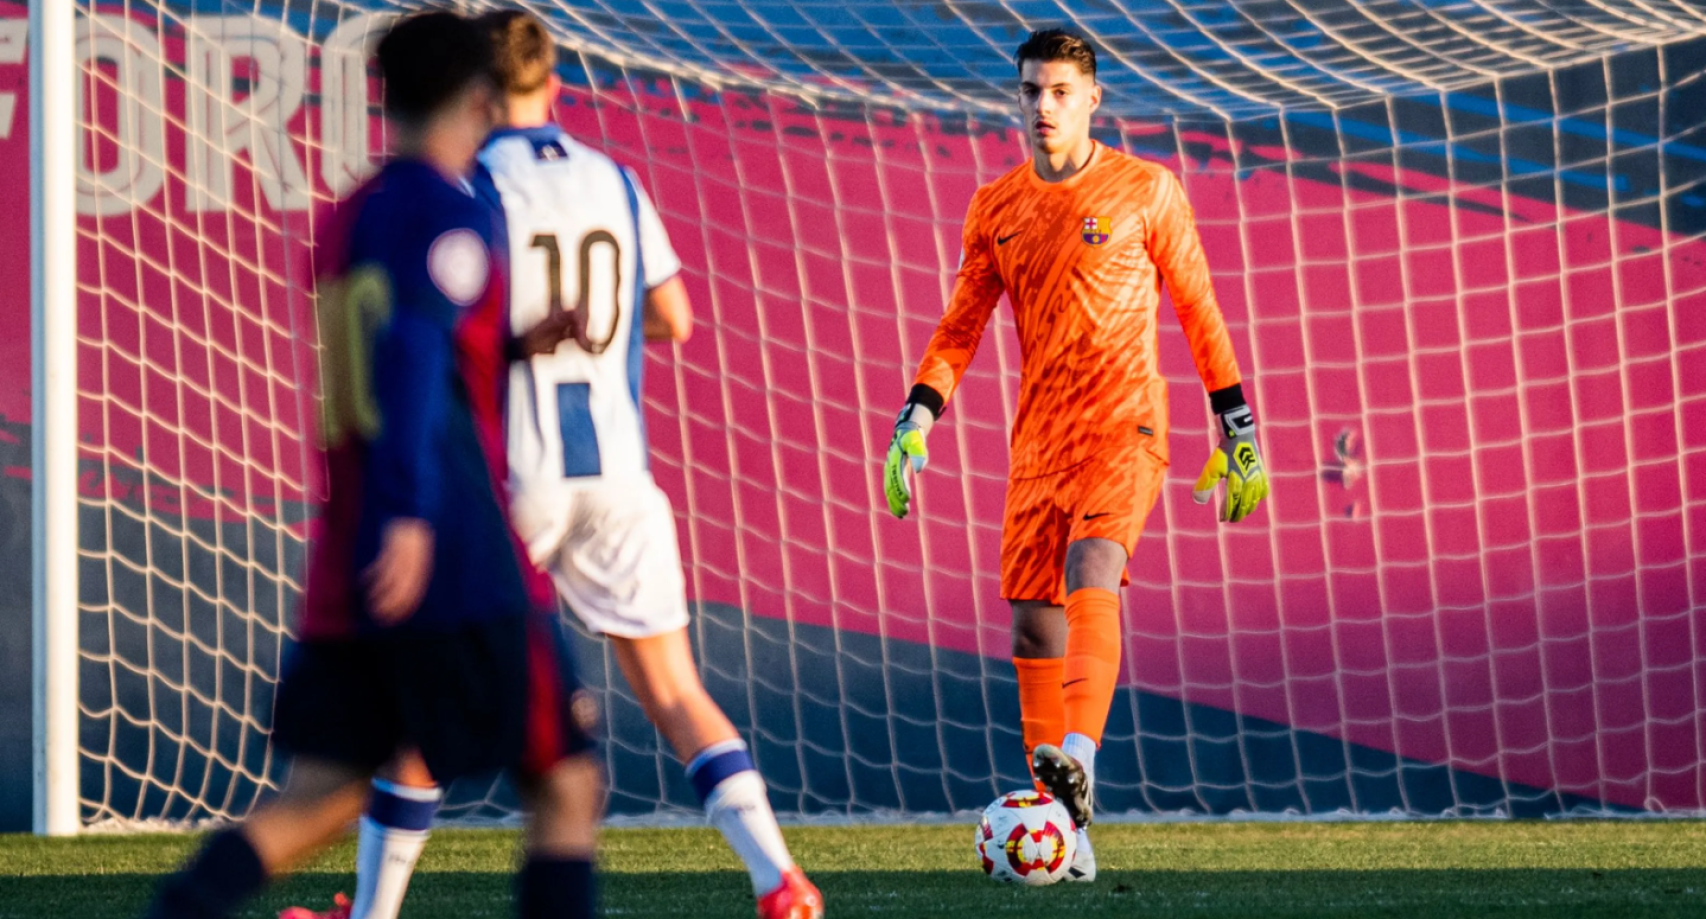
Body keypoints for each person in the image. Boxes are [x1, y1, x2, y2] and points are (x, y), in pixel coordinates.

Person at [290, 11, 822, 919]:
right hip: (617, 473)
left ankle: (372, 913)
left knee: (423, 707)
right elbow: (676, 317)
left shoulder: (470, 181)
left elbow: (450, 320)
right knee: (673, 687)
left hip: (510, 485)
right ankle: (780, 879)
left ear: (480, 91)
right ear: (558, 83)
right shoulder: (612, 177)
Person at [142, 11, 603, 919]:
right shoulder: (451, 208)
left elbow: (415, 339)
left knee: (320, 794)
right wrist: (410, 516)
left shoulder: (352, 214)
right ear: (479, 98)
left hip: (351, 561)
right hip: (455, 559)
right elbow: (413, 358)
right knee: (566, 782)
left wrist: (512, 343)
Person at [880, 27, 1270, 882]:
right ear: (1016, 98)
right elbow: (960, 327)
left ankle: (1080, 761)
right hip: (1038, 438)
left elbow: (1200, 308)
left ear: (1095, 99)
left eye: (1061, 91)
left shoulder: (1147, 190)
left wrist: (1235, 425)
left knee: (1094, 564)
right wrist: (917, 415)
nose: (1044, 106)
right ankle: (1069, 830)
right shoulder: (996, 206)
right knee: (1032, 620)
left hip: (1125, 424)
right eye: (1031, 91)